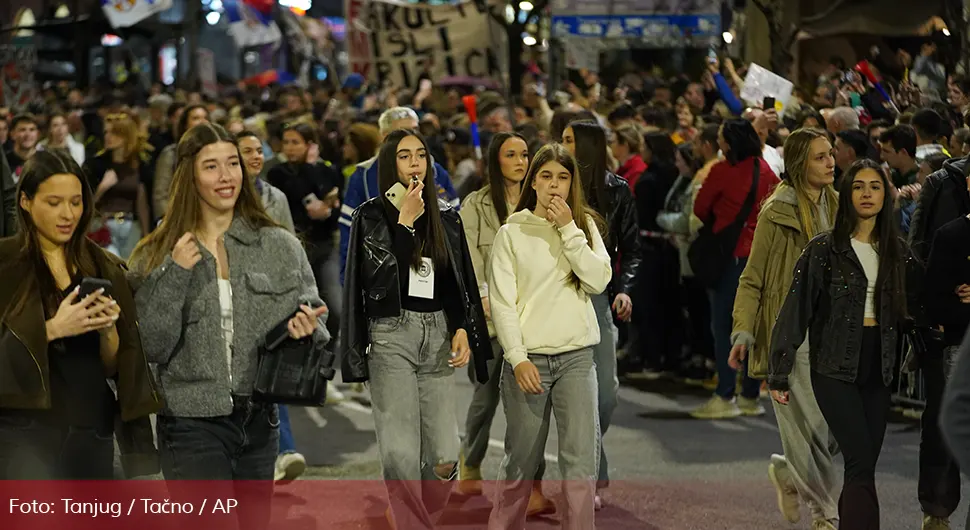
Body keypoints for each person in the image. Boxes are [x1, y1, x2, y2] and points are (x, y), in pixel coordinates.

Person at [129, 123, 330, 530]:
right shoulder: (156, 253)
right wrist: (175, 273)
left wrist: (308, 329)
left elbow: (316, 320)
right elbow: (150, 344)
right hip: (190, 425)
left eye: (233, 164)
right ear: (189, 175)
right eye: (211, 167)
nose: (227, 176)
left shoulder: (279, 245)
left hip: (260, 421)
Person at [340, 129, 490, 530]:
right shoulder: (371, 216)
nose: (414, 164)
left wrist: (461, 328)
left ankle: (418, 517)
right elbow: (375, 283)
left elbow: (457, 279)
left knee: (443, 455)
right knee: (400, 454)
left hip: (438, 334)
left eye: (420, 155)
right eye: (405, 157)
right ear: (391, 165)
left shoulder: (445, 216)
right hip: (391, 336)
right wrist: (404, 224)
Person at [769, 159, 914, 530]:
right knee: (860, 461)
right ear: (847, 195)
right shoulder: (824, 250)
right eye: (858, 186)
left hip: (879, 364)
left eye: (875, 187)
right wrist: (779, 372)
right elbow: (795, 310)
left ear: (886, 195)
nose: (867, 194)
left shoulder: (899, 251)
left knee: (861, 465)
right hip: (833, 365)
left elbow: (923, 304)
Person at [0, 148, 161, 479]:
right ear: (26, 202)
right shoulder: (5, 265)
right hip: (23, 436)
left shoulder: (105, 266)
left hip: (92, 431)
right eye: (54, 202)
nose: (68, 213)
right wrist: (51, 329)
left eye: (76, 202)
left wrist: (108, 331)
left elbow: (113, 367)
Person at [488, 143, 612, 530]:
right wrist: (518, 357)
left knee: (579, 465)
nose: (555, 185)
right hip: (529, 361)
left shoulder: (584, 226)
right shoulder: (512, 231)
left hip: (577, 358)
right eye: (546, 176)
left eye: (563, 177)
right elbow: (503, 302)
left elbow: (598, 280)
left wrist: (569, 230)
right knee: (520, 464)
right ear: (533, 181)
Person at [729, 128, 841, 529]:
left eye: (831, 154)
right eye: (820, 157)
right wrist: (742, 330)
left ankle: (790, 475)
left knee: (835, 430)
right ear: (799, 163)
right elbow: (752, 277)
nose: (831, 162)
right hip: (790, 335)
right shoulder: (776, 211)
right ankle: (825, 515)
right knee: (808, 429)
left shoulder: (839, 206)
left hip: (834, 333)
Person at [455, 131, 555, 515]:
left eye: (525, 154)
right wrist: (484, 297)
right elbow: (468, 256)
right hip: (490, 320)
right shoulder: (476, 204)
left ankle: (532, 487)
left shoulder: (541, 203)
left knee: (532, 408)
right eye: (511, 154)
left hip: (532, 321)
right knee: (484, 400)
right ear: (495, 160)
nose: (520, 161)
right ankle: (472, 462)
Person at [563, 120, 640, 508]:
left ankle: (592, 462)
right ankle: (586, 478)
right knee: (580, 398)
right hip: (561, 300)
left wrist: (624, 290)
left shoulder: (617, 190)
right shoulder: (552, 186)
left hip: (600, 299)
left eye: (568, 140)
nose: (561, 145)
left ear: (589, 146)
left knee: (606, 396)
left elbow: (633, 248)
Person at [692, 119, 779, 419]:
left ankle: (724, 393)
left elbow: (700, 207)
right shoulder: (767, 172)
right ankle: (750, 396)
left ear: (729, 143)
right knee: (753, 327)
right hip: (761, 259)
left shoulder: (722, 171)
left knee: (723, 328)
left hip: (730, 257)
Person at [236, 130, 308, 482]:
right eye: (247, 150)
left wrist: (292, 294)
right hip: (234, 296)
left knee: (268, 375)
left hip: (269, 296)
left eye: (259, 150)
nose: (256, 156)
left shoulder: (274, 196)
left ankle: (284, 450)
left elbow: (289, 244)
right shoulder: (222, 195)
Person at [339, 106, 459, 285]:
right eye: (402, 131)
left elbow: (455, 224)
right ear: (385, 137)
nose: (411, 137)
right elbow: (349, 235)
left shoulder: (435, 170)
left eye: (415, 129)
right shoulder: (363, 175)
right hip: (384, 275)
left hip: (433, 274)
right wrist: (348, 280)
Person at [267, 123, 343, 339]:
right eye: (286, 142)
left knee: (335, 308)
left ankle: (325, 356)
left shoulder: (328, 170)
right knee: (296, 309)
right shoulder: (277, 172)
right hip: (294, 248)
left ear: (310, 145)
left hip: (325, 245)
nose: (289, 148)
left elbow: (334, 208)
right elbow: (296, 189)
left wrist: (310, 168)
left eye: (295, 142)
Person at [83, 113, 153, 259]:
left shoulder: (140, 166)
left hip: (131, 225)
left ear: (126, 135)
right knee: (111, 269)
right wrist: (102, 188)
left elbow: (143, 205)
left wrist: (147, 236)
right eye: (106, 132)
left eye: (114, 132)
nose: (108, 136)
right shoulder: (94, 165)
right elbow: (84, 202)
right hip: (103, 226)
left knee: (130, 271)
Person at [153, 104, 209, 219]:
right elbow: (161, 195)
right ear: (184, 125)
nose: (202, 121)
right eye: (196, 118)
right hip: (179, 220)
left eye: (205, 117)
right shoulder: (171, 153)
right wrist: (168, 221)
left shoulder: (217, 152)